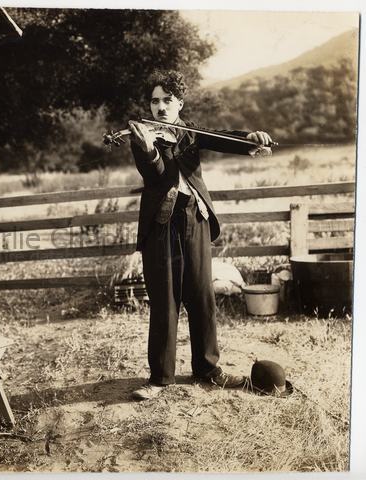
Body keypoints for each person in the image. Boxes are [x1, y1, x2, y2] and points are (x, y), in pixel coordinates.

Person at [129, 70, 273, 401]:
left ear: (179, 103)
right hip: (161, 225)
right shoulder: (142, 136)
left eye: (167, 100)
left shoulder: (191, 134)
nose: (160, 107)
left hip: (196, 218)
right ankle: (160, 378)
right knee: (164, 299)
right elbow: (157, 177)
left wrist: (250, 137)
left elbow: (221, 137)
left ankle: (208, 369)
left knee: (201, 295)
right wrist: (150, 149)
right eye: (154, 101)